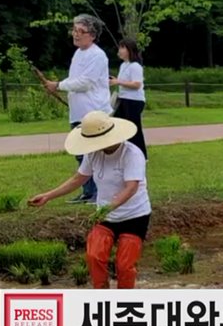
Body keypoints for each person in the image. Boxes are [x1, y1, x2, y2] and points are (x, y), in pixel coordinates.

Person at [28, 111, 149, 289]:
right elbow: (78, 179)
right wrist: (48, 195)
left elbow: (131, 188)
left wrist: (108, 207)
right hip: (105, 216)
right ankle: (101, 296)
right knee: (94, 256)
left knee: (124, 265)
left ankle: (124, 300)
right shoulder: (93, 154)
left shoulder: (132, 154)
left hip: (134, 216)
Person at [44, 14, 113, 204]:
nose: (76, 34)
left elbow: (85, 83)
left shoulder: (97, 55)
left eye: (81, 31)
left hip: (94, 112)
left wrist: (58, 85)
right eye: (74, 30)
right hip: (79, 112)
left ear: (92, 35)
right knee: (81, 153)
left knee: (95, 153)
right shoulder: (79, 53)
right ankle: (88, 192)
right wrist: (58, 86)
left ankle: (98, 193)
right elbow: (75, 80)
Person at [110, 37, 147, 159]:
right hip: (123, 99)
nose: (119, 51)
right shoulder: (123, 65)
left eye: (122, 48)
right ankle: (123, 151)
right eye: (119, 48)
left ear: (130, 50)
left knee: (134, 128)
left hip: (134, 101)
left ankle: (141, 155)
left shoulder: (135, 66)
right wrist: (115, 81)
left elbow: (137, 84)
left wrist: (118, 81)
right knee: (119, 125)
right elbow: (123, 81)